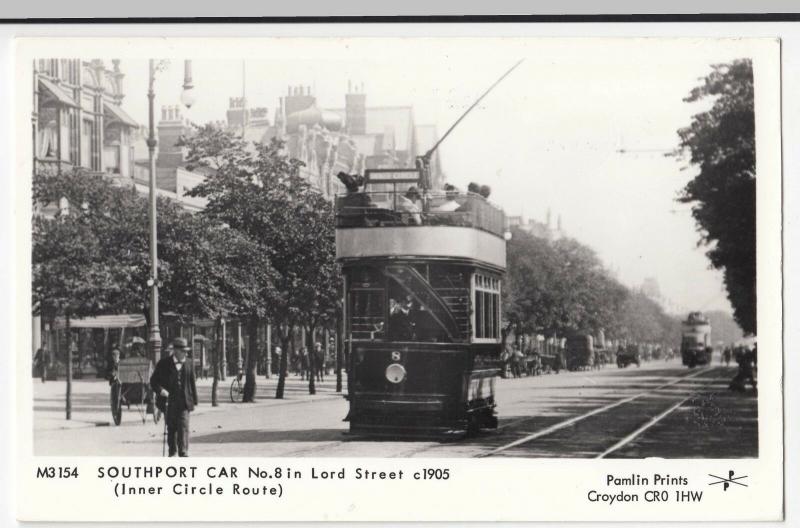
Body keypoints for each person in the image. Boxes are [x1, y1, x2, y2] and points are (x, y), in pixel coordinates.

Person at [150, 337, 198, 457]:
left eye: (186, 351)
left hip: (184, 401)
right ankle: (172, 451)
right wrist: (161, 391)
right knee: (171, 428)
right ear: (175, 350)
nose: (186, 353)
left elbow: (192, 382)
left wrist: (194, 400)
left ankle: (183, 451)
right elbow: (153, 382)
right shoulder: (163, 364)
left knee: (183, 426)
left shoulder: (189, 363)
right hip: (169, 401)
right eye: (183, 351)